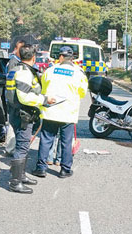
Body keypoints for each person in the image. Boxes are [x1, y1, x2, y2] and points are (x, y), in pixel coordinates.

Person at [5, 44, 55, 194]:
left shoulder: (16, 70)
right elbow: (24, 96)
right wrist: (45, 99)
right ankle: (15, 182)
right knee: (22, 146)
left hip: (17, 113)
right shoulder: (24, 73)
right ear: (34, 57)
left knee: (24, 145)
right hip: (22, 114)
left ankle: (21, 175)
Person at [32, 46, 88, 179]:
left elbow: (44, 89)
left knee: (46, 140)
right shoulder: (79, 73)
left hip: (50, 111)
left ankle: (41, 168)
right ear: (72, 58)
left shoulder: (49, 71)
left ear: (60, 57)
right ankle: (65, 170)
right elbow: (82, 93)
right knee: (66, 141)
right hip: (68, 113)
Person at [4, 40, 26, 156]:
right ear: (16, 49)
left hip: (16, 99)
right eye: (20, 49)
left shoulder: (18, 61)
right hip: (13, 100)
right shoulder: (13, 62)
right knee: (12, 125)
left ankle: (13, 147)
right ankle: (10, 148)